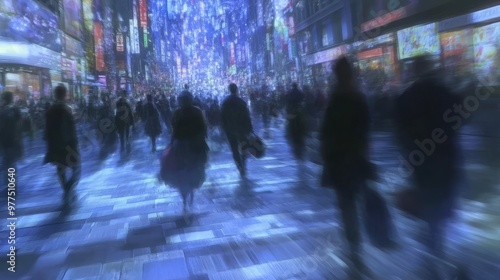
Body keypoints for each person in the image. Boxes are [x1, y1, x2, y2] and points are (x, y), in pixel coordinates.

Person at [394, 55, 461, 273]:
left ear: (414, 71)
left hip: (421, 160)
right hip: (445, 159)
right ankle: (434, 241)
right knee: (441, 200)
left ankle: (432, 243)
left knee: (430, 200)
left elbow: (400, 132)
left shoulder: (407, 97)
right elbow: (459, 118)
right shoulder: (444, 93)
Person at [320, 56, 372, 276]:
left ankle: (353, 245)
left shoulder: (334, 100)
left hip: (339, 162)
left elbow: (325, 133)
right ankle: (355, 244)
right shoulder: (358, 98)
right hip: (355, 160)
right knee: (355, 202)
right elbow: (366, 130)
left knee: (346, 205)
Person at [166, 90, 209, 213]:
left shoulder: (177, 113)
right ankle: (191, 192)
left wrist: (171, 143)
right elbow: (203, 128)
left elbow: (173, 130)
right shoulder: (196, 111)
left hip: (181, 146)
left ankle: (185, 196)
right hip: (195, 145)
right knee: (195, 168)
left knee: (182, 171)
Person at [44, 85, 81, 206]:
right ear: (65, 94)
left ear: (55, 94)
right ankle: (68, 190)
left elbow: (47, 130)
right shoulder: (66, 109)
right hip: (69, 144)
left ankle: (66, 189)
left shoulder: (50, 110)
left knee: (61, 170)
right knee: (76, 169)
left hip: (55, 145)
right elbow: (70, 128)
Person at [220, 83, 253, 178]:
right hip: (242, 129)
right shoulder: (241, 102)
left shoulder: (225, 102)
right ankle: (243, 165)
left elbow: (222, 118)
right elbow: (247, 117)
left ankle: (239, 166)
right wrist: (250, 128)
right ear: (237, 90)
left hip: (230, 130)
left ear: (229, 90)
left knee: (234, 149)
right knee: (243, 147)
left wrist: (223, 129)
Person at [0, 92, 23, 190]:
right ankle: (12, 184)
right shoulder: (15, 109)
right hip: (13, 140)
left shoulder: (2, 110)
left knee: (7, 163)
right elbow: (20, 124)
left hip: (5, 140)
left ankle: (10, 185)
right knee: (11, 163)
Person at [285, 83, 307, 161]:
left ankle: (297, 149)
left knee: (293, 131)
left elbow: (287, 104)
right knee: (301, 130)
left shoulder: (290, 94)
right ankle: (301, 149)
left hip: (292, 114)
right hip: (299, 113)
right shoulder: (300, 93)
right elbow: (304, 101)